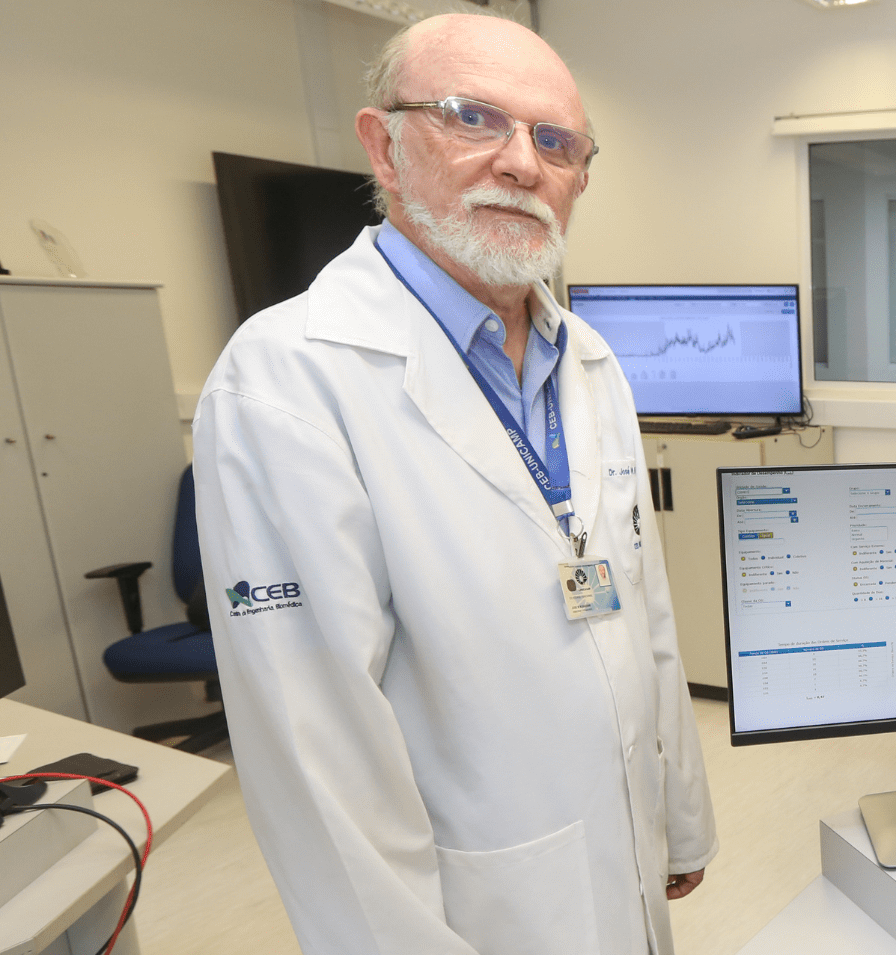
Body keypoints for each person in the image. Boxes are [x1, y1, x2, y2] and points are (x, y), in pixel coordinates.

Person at [192, 14, 715, 955]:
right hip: (476, 899)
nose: (522, 163)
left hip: (623, 855)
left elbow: (644, 609)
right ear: (383, 146)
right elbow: (318, 756)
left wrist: (679, 814)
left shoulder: (587, 359)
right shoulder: (288, 379)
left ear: (580, 178)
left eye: (557, 142)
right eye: (473, 118)